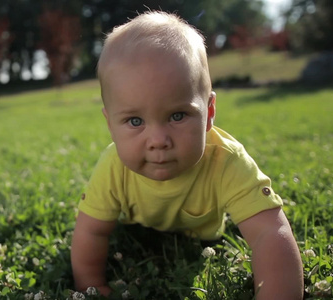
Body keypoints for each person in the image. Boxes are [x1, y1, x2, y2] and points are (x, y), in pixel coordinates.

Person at [70, 11, 303, 299]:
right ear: (110, 125)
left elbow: (270, 233)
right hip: (137, 228)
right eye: (134, 121)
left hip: (203, 236)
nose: (158, 141)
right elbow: (91, 231)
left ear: (209, 113)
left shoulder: (227, 161)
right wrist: (92, 286)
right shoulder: (113, 167)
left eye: (177, 115)